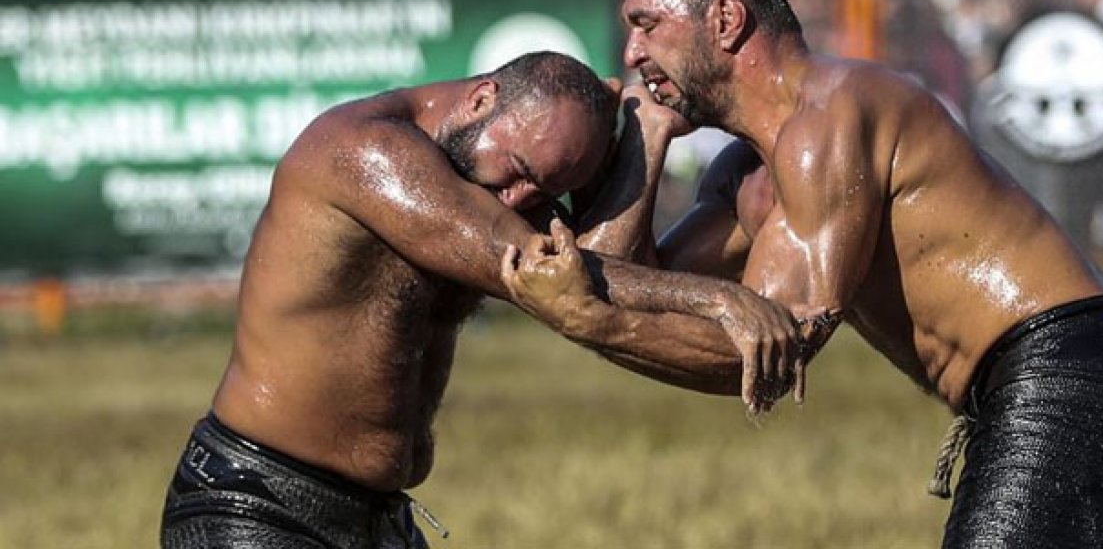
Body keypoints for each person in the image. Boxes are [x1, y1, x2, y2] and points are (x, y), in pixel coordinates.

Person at [500, 0, 1103, 547]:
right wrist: (645, 138)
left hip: (1069, 384)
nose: (631, 49)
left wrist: (584, 317)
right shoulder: (747, 174)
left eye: (648, 24)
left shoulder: (830, 116)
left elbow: (765, 352)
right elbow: (638, 289)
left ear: (724, 20)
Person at [159, 51, 808, 548]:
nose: (522, 201)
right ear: (481, 99)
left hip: (379, 518)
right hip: (255, 506)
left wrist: (648, 131)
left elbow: (591, 274)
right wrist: (721, 301)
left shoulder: (495, 178)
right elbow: (539, 265)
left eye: (546, 191)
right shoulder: (363, 151)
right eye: (520, 169)